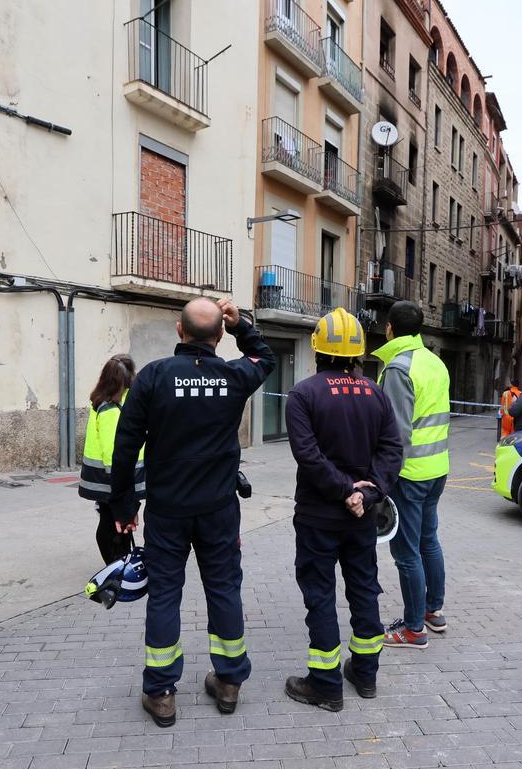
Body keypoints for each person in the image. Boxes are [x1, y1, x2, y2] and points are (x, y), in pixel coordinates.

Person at [108, 297, 274, 727]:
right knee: (224, 590)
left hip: (168, 510)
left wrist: (124, 505)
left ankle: (161, 692)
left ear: (179, 331)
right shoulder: (234, 375)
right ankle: (229, 682)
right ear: (218, 335)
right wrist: (242, 326)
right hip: (219, 509)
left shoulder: (154, 376)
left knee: (165, 593)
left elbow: (126, 444)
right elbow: (265, 357)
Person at [282, 308, 403, 711]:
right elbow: (392, 450)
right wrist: (367, 494)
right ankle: (365, 674)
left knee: (320, 595)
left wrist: (343, 490)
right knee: (364, 590)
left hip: (318, 515)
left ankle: (325, 684)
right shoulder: (375, 393)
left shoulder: (303, 394)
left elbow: (308, 456)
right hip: (361, 516)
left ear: (317, 349)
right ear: (357, 353)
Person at [372, 301, 451, 649]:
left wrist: (383, 477)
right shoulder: (435, 362)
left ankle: (414, 628)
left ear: (389, 327)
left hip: (410, 474)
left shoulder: (398, 368)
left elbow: (396, 432)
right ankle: (433, 611)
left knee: (406, 553)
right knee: (428, 540)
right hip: (437, 469)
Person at [79, 354, 141, 564]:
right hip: (113, 479)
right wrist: (122, 487)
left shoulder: (106, 401)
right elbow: (113, 453)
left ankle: (120, 561)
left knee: (117, 522)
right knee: (112, 523)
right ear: (121, 381)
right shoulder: (110, 410)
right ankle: (114, 565)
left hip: (108, 479)